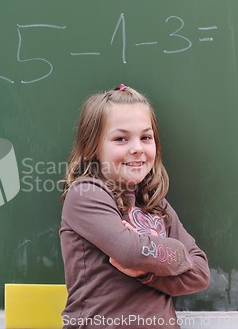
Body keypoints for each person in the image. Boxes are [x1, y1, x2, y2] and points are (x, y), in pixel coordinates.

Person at [59, 84, 210, 329]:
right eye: (121, 138)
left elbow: (201, 273)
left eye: (146, 137)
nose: (137, 148)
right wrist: (175, 255)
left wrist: (146, 273)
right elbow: (130, 252)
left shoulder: (155, 202)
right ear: (92, 147)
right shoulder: (87, 194)